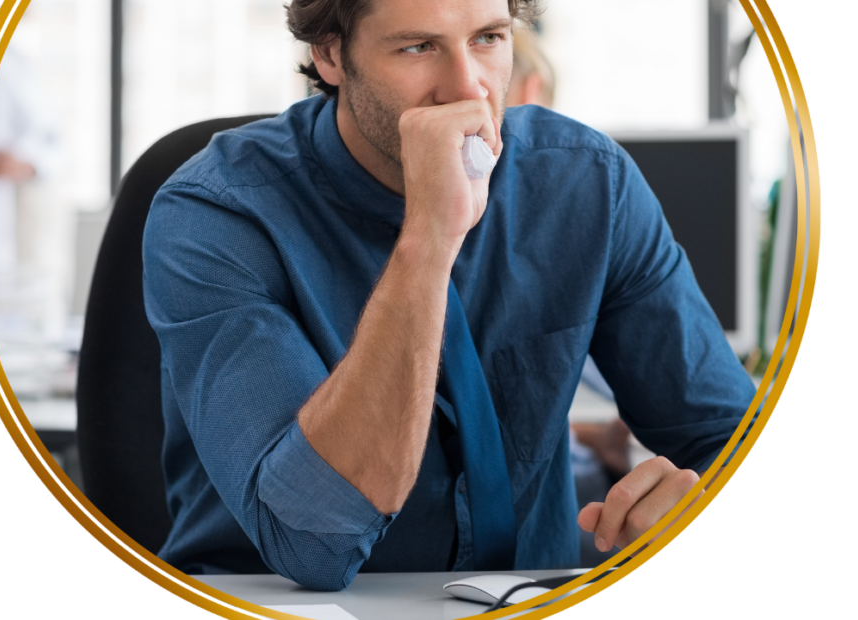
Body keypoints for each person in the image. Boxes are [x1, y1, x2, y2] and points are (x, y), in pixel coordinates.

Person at [143, 0, 755, 590]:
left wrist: (701, 508)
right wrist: (429, 237)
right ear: (329, 55)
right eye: (418, 47)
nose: (469, 89)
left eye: (488, 38)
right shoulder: (217, 212)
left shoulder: (589, 182)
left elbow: (736, 448)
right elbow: (313, 545)